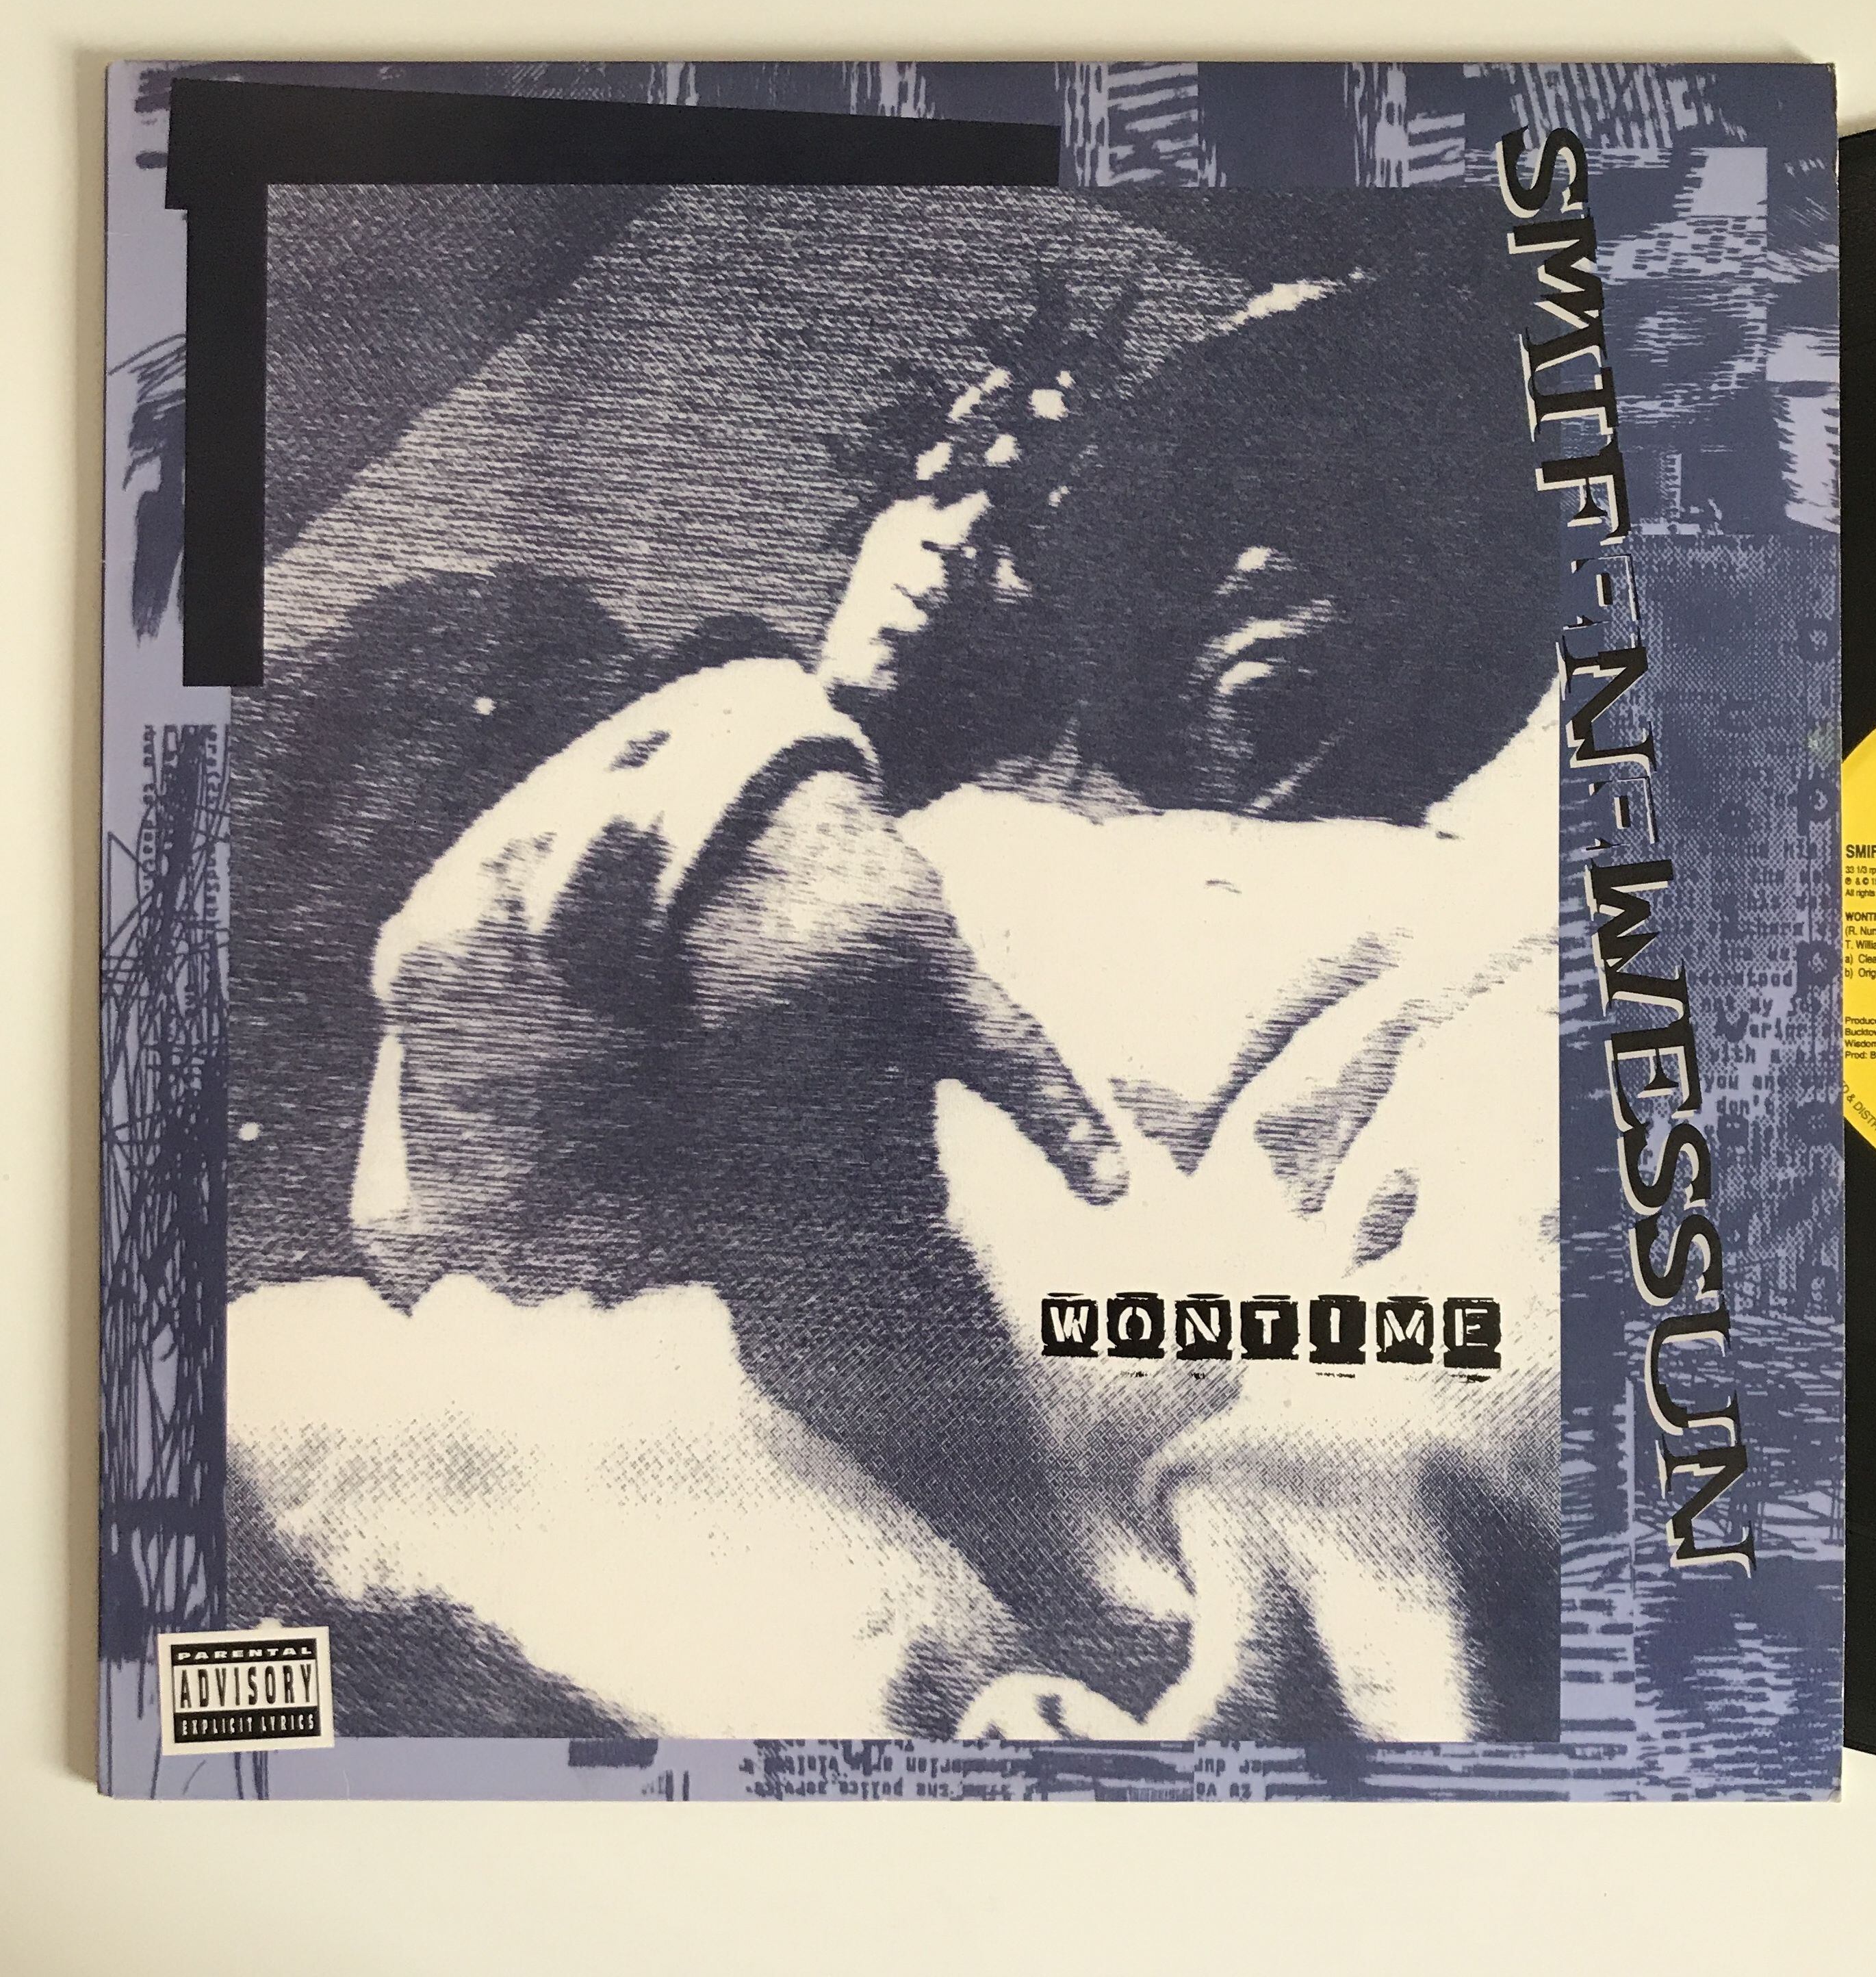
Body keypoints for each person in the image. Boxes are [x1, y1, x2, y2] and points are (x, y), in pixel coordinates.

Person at [229, 272, 1562, 1744]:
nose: (1251, 560)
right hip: (398, 1549)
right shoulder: (826, 806)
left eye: (1353, 508)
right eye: (1205, 492)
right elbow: (441, 1234)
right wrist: (719, 811)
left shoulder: (1494, 959)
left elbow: (1409, 1537)